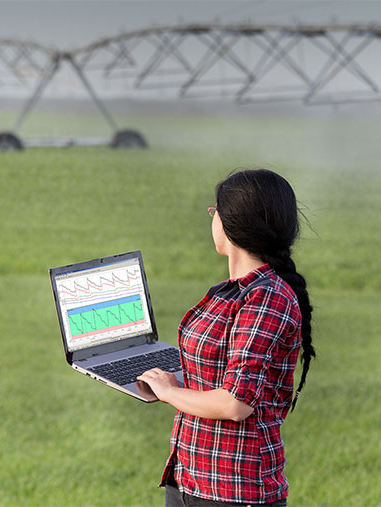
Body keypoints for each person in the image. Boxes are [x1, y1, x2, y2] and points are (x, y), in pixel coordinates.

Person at [137, 168, 316, 507]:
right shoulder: (231, 293)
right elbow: (221, 368)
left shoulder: (266, 298)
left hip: (234, 491)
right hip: (190, 476)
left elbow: (236, 404)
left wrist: (170, 391)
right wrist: (160, 377)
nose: (212, 218)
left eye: (214, 210)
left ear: (230, 222)